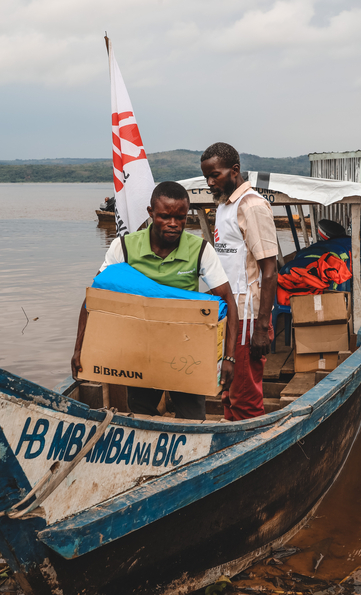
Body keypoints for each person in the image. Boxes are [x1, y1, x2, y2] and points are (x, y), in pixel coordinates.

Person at [71, 181, 238, 420]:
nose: (174, 224)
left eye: (180, 218)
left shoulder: (200, 250)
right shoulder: (125, 248)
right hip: (139, 349)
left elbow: (228, 302)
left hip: (187, 350)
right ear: (151, 213)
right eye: (165, 217)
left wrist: (229, 357)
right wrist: (80, 349)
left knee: (193, 420)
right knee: (141, 416)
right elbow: (94, 299)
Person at [200, 142, 279, 421]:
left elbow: (270, 270)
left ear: (235, 170)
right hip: (227, 314)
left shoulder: (253, 206)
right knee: (228, 386)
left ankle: (248, 445)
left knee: (245, 394)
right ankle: (228, 433)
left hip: (247, 317)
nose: (210, 182)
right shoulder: (224, 206)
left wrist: (262, 327)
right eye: (207, 177)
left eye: (215, 175)